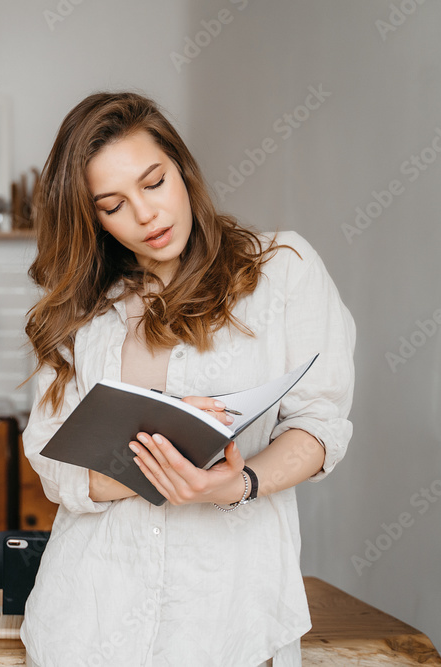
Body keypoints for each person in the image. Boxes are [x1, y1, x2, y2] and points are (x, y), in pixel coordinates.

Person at [20, 91, 356, 667]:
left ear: (182, 169)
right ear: (91, 217)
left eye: (154, 182)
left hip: (230, 623)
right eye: (113, 204)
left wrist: (234, 484)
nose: (146, 215)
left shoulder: (282, 270)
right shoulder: (82, 310)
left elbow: (319, 424)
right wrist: (165, 453)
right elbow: (55, 464)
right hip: (85, 623)